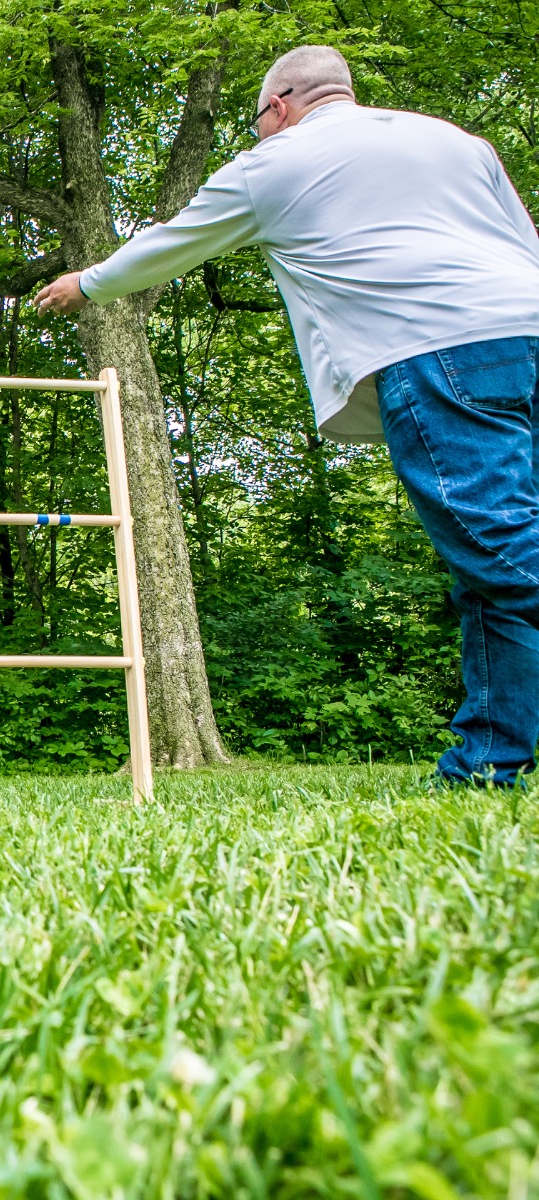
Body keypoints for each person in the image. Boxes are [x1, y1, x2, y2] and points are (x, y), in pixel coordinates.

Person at [34, 45, 539, 786]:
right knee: (486, 570)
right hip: (526, 327)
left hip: (439, 347)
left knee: (499, 548)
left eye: (258, 121)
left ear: (278, 106)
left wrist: (88, 282)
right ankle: (488, 765)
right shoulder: (457, 142)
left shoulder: (273, 163)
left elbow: (173, 242)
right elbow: (526, 247)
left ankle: (490, 759)